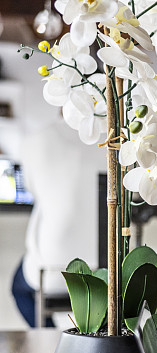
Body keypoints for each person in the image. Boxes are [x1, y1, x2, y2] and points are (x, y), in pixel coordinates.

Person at [11, 114, 106, 327]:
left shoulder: (34, 139)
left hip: (53, 270)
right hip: (105, 271)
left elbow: (31, 187)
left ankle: (49, 340)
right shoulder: (111, 139)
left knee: (18, 289)